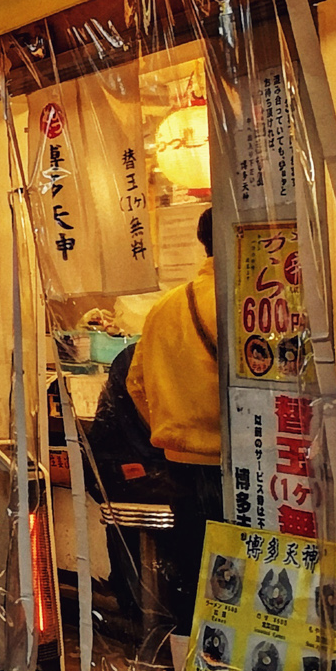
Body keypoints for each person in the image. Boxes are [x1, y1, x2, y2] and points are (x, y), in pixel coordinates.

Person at [126, 208, 222, 630]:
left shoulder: (165, 308)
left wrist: (169, 430)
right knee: (238, 576)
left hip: (178, 463)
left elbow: (136, 384)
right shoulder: (244, 304)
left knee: (192, 569)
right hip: (234, 464)